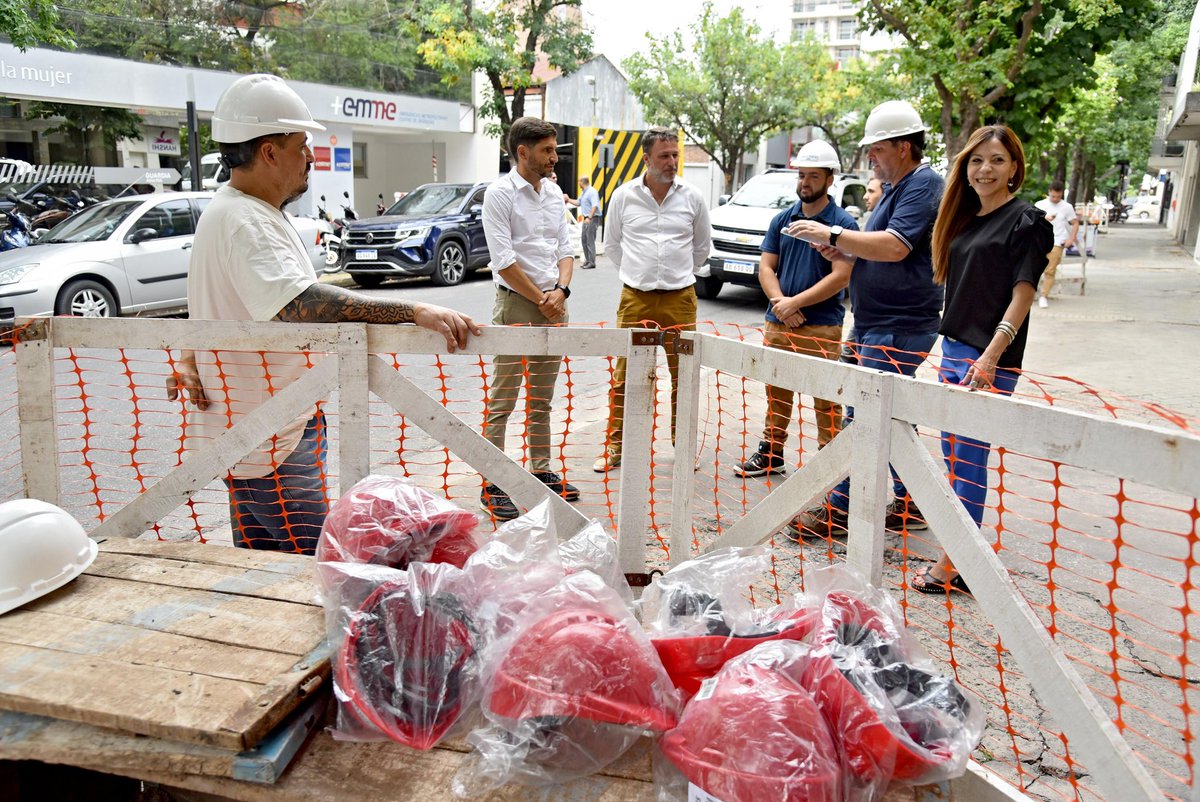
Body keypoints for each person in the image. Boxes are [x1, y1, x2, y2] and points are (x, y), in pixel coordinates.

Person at [168, 74, 478, 554]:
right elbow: (302, 305)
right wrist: (412, 310)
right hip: (272, 438)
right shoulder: (244, 219)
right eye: (302, 144)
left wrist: (189, 356)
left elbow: (216, 304)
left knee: (266, 568)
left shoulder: (237, 211)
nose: (310, 156)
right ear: (270, 152)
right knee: (324, 569)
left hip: (251, 433)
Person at [788, 99, 944, 540]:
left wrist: (833, 233)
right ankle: (910, 501)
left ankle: (839, 510)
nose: (871, 157)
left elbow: (895, 247)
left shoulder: (923, 186)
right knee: (890, 421)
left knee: (864, 420)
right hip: (878, 321)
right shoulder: (899, 188)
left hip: (899, 323)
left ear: (904, 147)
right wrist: (844, 252)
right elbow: (881, 249)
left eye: (876, 148)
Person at [910, 125, 1051, 595]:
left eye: (996, 160)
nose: (985, 169)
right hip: (955, 351)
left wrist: (991, 355)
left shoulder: (1027, 221)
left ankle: (959, 564)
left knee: (969, 461)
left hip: (988, 359)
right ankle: (958, 552)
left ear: (1015, 167)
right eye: (976, 161)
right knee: (954, 459)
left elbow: (1023, 292)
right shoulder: (964, 219)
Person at [734, 140, 857, 478]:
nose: (805, 183)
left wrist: (795, 303)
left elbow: (841, 276)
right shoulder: (782, 219)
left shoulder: (843, 225)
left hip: (822, 326)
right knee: (776, 391)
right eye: (801, 175)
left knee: (826, 397)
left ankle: (830, 466)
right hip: (780, 322)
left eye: (813, 176)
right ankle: (772, 453)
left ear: (830, 180)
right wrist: (781, 305)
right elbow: (766, 268)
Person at [593, 126, 711, 473]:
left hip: (680, 299)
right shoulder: (624, 196)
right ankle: (616, 446)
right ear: (647, 158)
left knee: (683, 376)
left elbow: (702, 248)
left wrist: (674, 274)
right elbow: (612, 245)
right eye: (665, 155)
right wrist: (641, 274)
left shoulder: (692, 197)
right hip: (636, 299)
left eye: (675, 155)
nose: (672, 161)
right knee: (625, 375)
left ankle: (683, 448)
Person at [480, 117, 579, 519]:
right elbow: (504, 262)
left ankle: (540, 471)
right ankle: (493, 482)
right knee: (503, 398)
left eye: (555, 150)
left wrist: (561, 293)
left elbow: (566, 248)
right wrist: (542, 298)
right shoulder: (499, 195)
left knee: (542, 399)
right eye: (547, 151)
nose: (555, 158)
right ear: (523, 152)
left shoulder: (554, 193)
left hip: (554, 303)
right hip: (519, 304)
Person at [1033, 180, 1078, 308]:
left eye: (1058, 197)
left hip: (1057, 241)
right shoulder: (1040, 204)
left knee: (1050, 270)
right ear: (1049, 192)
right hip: (1039, 241)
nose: (1055, 199)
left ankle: (1043, 295)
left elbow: (1075, 223)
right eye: (1053, 196)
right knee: (1034, 268)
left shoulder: (1066, 207)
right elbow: (1031, 221)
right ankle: (1032, 293)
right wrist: (1044, 218)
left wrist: (1071, 239)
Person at [576, 176, 602, 269]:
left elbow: (595, 206)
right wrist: (567, 200)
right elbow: (578, 203)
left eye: (579, 181)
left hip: (592, 218)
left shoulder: (592, 192)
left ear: (582, 182)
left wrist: (589, 217)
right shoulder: (583, 192)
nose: (578, 183)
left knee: (590, 240)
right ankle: (588, 260)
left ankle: (592, 262)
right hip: (586, 218)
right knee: (584, 240)